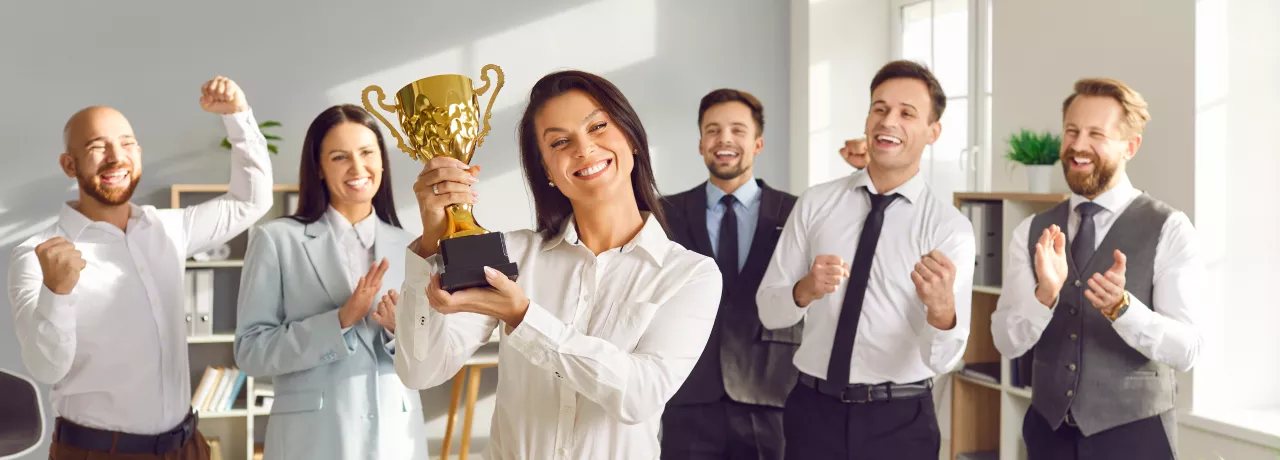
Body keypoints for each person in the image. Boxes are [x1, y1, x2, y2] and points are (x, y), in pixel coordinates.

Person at [393, 69, 723, 459]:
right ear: (547, 171)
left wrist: (523, 317)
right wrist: (431, 244)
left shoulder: (689, 275)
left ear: (632, 139)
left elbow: (639, 396)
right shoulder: (512, 255)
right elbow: (421, 371)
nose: (584, 149)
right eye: (560, 142)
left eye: (597, 126)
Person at [7, 76, 272, 460]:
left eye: (127, 143)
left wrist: (238, 115)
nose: (116, 157)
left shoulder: (169, 228)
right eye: (97, 147)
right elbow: (46, 368)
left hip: (186, 447)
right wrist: (56, 292)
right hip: (98, 454)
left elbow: (251, 201)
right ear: (69, 165)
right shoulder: (37, 254)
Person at [755, 60, 975, 460]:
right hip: (812, 413)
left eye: (907, 113)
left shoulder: (950, 229)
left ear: (933, 132)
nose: (888, 121)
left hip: (900, 423)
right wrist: (805, 289)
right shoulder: (816, 203)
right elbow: (770, 312)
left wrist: (943, 312)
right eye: (880, 108)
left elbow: (944, 358)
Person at [990, 78, 1204, 460]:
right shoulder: (1031, 230)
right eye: (1071, 131)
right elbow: (1006, 342)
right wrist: (1044, 296)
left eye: (1096, 134)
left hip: (1136, 438)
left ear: (1130, 147)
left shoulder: (1170, 228)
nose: (1078, 145)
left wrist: (1124, 310)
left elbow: (1187, 350)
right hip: (1048, 436)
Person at [233, 104, 426, 459]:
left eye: (367, 153)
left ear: (382, 161)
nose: (358, 168)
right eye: (340, 157)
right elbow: (250, 352)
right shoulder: (276, 240)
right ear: (319, 168)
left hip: (396, 440)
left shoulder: (413, 247)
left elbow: (430, 359)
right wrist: (340, 320)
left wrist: (398, 331)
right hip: (312, 441)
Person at [660, 88, 799, 460]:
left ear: (758, 143)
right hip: (687, 393)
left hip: (772, 393)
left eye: (738, 130)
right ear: (701, 144)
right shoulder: (663, 213)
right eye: (713, 130)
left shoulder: (796, 213)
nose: (724, 139)